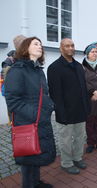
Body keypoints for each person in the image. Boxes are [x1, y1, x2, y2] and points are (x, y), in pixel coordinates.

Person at [4, 37, 56, 188]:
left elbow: (43, 94)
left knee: (36, 153)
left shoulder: (38, 70)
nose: (40, 46)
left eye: (40, 44)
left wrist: (50, 106)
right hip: (28, 121)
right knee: (28, 157)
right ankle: (29, 185)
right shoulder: (17, 70)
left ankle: (36, 183)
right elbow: (13, 101)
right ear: (26, 48)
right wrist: (36, 114)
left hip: (40, 120)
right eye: (36, 44)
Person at [47, 38, 90, 175]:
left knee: (80, 137)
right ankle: (66, 163)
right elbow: (55, 94)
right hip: (65, 111)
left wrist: (86, 106)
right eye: (67, 46)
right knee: (65, 140)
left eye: (72, 46)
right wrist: (60, 112)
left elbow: (83, 88)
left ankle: (77, 158)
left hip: (80, 110)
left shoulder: (78, 66)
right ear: (61, 48)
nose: (70, 48)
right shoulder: (54, 68)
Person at [1, 35, 26, 125]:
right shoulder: (9, 62)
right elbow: (8, 83)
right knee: (16, 122)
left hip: (25, 99)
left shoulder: (27, 58)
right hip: (16, 99)